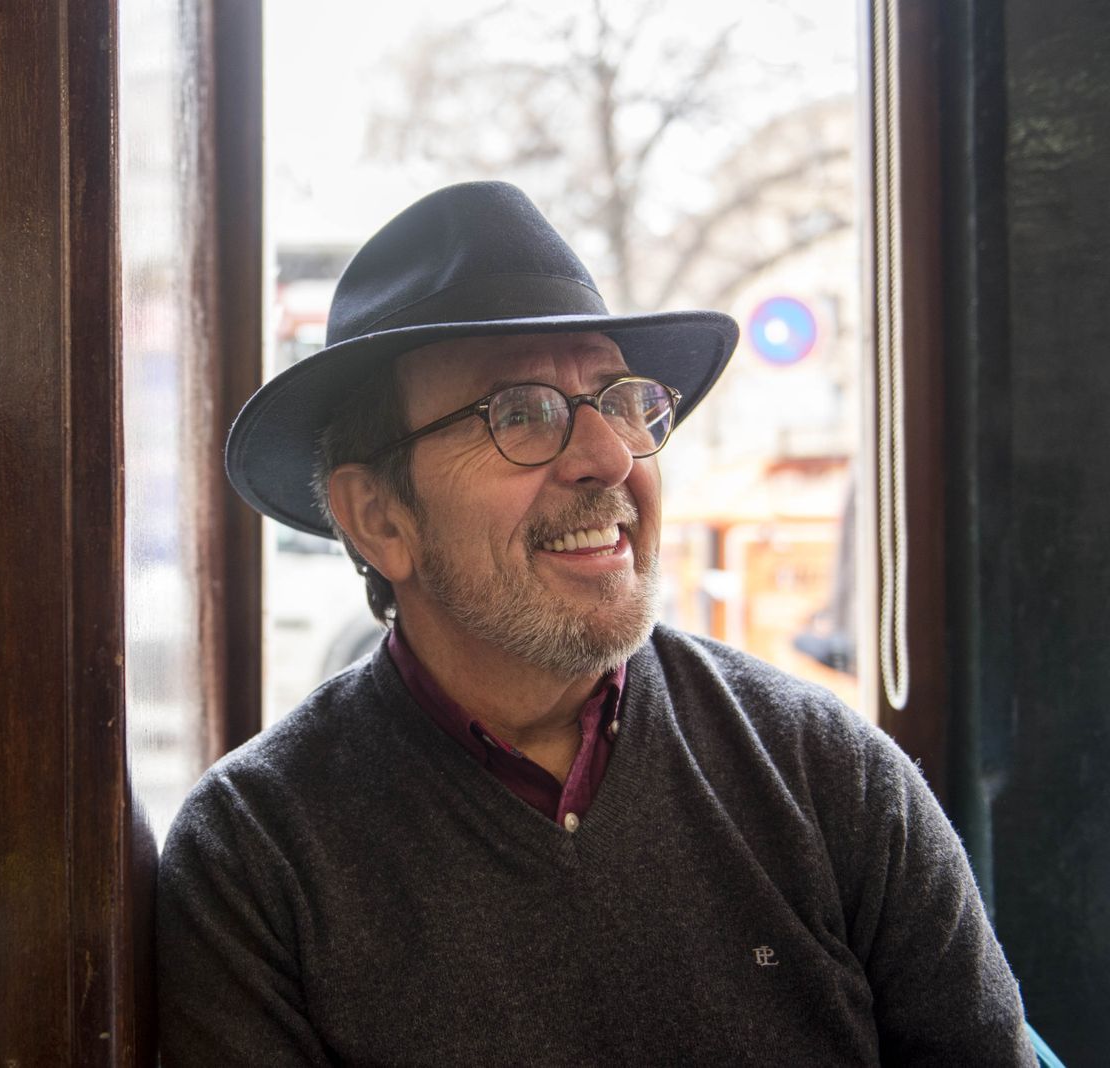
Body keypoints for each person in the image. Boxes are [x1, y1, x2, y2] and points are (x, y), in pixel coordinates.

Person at [157, 181, 1030, 1065]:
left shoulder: (826, 772)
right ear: (380, 518)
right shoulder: (257, 856)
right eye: (520, 412)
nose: (612, 457)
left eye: (621, 401)